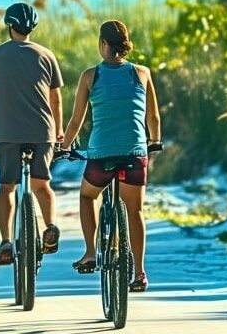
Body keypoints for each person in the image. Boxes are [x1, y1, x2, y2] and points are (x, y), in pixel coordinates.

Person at [60, 20, 162, 292]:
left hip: (102, 154)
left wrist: (65, 146)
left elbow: (75, 121)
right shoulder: (141, 73)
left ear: (103, 44)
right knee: (135, 210)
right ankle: (139, 273)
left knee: (86, 196)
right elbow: (152, 116)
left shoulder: (89, 76)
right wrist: (154, 142)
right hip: (134, 152)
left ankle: (91, 252)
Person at [0, 2, 64, 266]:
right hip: (43, 132)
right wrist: (60, 131)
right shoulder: (46, 55)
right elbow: (56, 100)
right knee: (42, 185)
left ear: (10, 26)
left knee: (7, 186)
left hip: (8, 134)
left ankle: (6, 241)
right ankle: (50, 226)